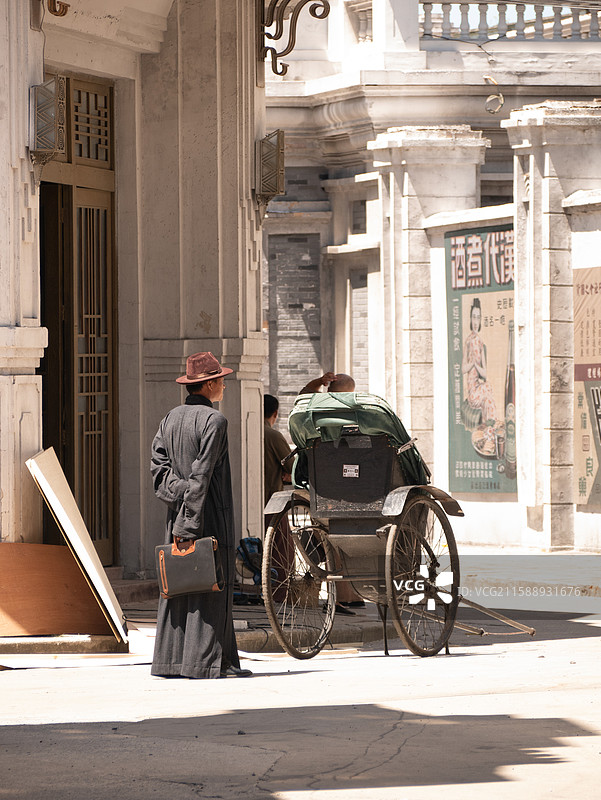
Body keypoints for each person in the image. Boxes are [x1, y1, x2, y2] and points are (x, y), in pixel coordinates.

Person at [150, 351, 251, 679]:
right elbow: (202, 475)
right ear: (208, 385)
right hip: (206, 517)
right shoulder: (214, 421)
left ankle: (177, 662)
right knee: (211, 588)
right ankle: (206, 664)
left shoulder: (169, 419)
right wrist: (190, 522)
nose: (224, 386)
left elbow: (159, 473)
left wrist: (180, 505)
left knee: (180, 587)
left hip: (179, 515)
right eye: (220, 380)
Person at [297, 370, 364, 614]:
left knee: (330, 540)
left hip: (322, 484)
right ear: (352, 392)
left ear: (328, 390)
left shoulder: (316, 410)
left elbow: (302, 398)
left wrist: (317, 382)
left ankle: (343, 596)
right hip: (356, 486)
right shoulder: (360, 413)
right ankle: (344, 596)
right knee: (344, 543)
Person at [462, 297, 497, 423]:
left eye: (478, 317)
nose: (476, 321)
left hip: (479, 389)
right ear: (470, 319)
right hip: (473, 393)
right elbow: (463, 369)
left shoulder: (480, 342)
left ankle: (490, 427)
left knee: (488, 399)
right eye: (473, 317)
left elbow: (485, 374)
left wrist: (477, 366)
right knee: (487, 389)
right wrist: (472, 363)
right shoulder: (468, 341)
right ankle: (491, 426)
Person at [263, 394, 291, 504]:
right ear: (275, 413)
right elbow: (292, 467)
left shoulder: (245, 431)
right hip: (270, 499)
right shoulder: (273, 436)